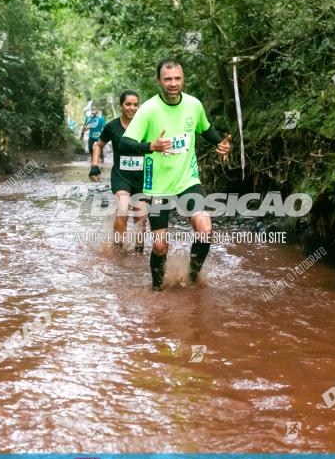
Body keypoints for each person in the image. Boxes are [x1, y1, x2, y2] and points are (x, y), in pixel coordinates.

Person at [120, 59, 231, 290]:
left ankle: (192, 277)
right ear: (159, 81)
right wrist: (151, 146)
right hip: (157, 186)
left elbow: (205, 128)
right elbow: (125, 143)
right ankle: (157, 289)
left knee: (205, 229)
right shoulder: (148, 110)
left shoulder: (193, 104)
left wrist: (219, 143)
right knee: (160, 246)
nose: (173, 84)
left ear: (183, 79)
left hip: (187, 180)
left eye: (177, 78)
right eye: (168, 79)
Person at [89, 91, 147, 253]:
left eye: (135, 104)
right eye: (128, 104)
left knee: (141, 219)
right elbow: (98, 145)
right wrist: (95, 165)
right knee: (122, 209)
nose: (132, 108)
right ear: (121, 106)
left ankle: (139, 253)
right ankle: (118, 252)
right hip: (121, 177)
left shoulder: (146, 124)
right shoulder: (112, 126)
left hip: (142, 178)